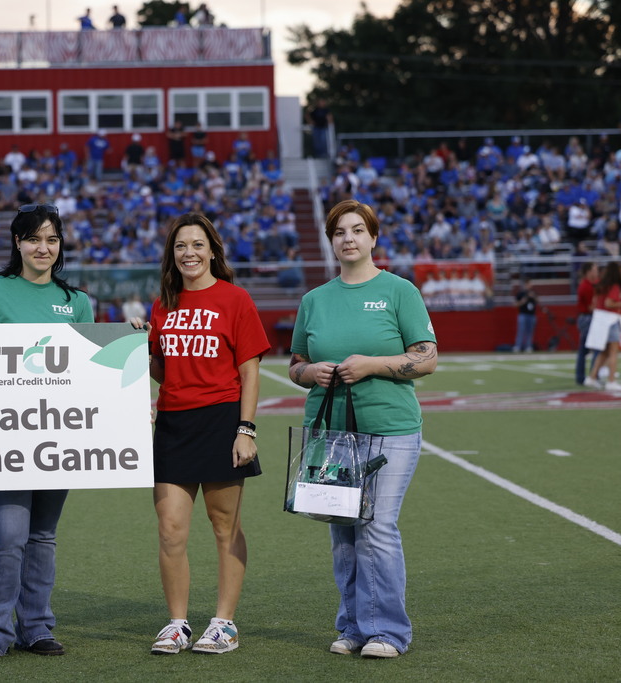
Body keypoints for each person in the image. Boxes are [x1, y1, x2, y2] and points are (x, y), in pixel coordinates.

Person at [287, 199, 437, 659]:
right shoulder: (314, 300)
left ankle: (388, 632)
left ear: (373, 237)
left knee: (377, 527)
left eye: (357, 230)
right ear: (331, 241)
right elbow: (295, 364)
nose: (348, 238)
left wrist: (374, 365)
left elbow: (428, 357)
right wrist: (311, 374)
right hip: (330, 436)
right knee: (344, 531)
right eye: (339, 232)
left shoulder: (399, 291)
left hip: (391, 429)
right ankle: (353, 626)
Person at [0, 203, 94, 663]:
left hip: (57, 436)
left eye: (52, 239)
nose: (44, 247)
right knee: (8, 534)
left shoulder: (77, 301)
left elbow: (91, 372)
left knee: (42, 536)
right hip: (2, 438)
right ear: (17, 242)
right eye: (34, 238)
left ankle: (36, 626)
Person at [147, 213, 270, 655]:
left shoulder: (235, 300)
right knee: (171, 529)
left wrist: (246, 429)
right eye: (181, 246)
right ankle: (177, 623)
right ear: (172, 255)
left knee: (224, 526)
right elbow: (164, 370)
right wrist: (142, 351)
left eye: (198, 245)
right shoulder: (164, 303)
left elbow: (250, 372)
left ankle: (224, 623)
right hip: (173, 423)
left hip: (221, 421)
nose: (189, 253)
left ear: (213, 250)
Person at [584, 261, 621, 391]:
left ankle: (592, 378)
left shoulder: (602, 285)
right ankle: (611, 381)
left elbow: (596, 302)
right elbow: (609, 303)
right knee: (613, 352)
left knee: (604, 353)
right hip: (609, 321)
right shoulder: (614, 286)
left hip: (600, 320)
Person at [575, 261, 600, 386]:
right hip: (588, 318)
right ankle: (594, 376)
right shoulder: (587, 286)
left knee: (584, 350)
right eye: (595, 270)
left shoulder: (589, 284)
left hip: (586, 317)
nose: (597, 272)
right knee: (597, 348)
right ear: (589, 272)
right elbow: (592, 306)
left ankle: (581, 377)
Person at [513, 277, 538, 352]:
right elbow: (515, 304)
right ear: (525, 285)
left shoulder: (533, 293)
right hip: (523, 314)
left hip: (532, 315)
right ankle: (518, 346)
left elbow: (538, 301)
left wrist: (533, 296)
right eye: (528, 284)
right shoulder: (521, 293)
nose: (530, 286)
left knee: (530, 332)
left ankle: (528, 346)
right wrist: (523, 301)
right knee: (521, 331)